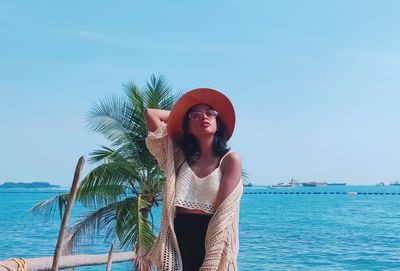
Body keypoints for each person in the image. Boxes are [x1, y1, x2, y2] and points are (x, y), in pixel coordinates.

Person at [144, 88, 243, 271]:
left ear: (218, 123)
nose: (204, 117)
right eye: (196, 115)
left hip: (212, 238)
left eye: (210, 114)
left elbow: (222, 215)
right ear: (187, 127)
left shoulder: (229, 160)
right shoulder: (179, 160)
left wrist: (211, 262)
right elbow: (151, 115)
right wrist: (181, 115)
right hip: (178, 239)